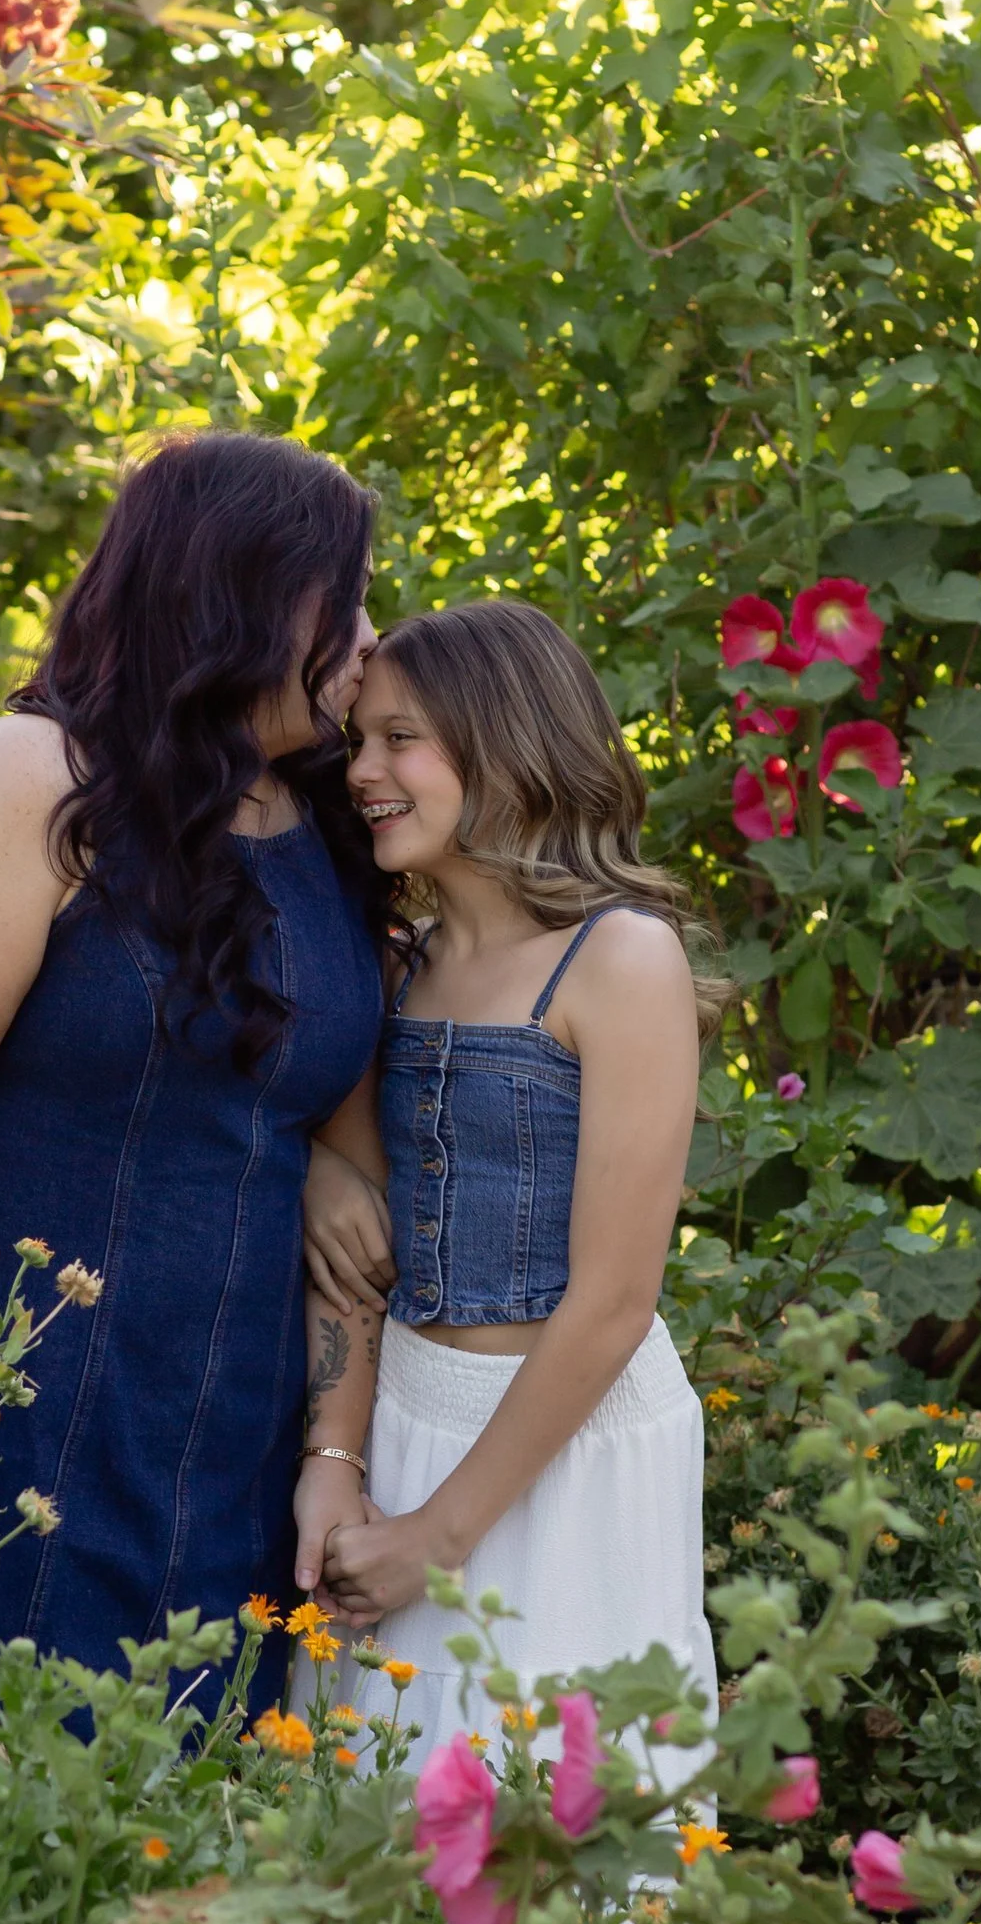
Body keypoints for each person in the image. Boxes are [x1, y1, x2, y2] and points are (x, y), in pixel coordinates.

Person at [0, 432, 387, 1690]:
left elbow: (350, 1176)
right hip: (9, 1432)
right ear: (243, 589)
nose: (368, 636)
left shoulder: (337, 820)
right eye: (343, 597)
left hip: (237, 1456)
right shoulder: (35, 780)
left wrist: (332, 1456)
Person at [293, 598, 723, 1748]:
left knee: (553, 1812)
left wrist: (436, 1536)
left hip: (570, 1449)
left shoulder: (620, 959)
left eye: (401, 739)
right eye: (358, 742)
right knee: (376, 1803)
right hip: (404, 1422)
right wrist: (333, 1462)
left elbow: (615, 1301)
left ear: (509, 743)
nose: (364, 773)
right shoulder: (391, 966)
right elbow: (350, 1257)